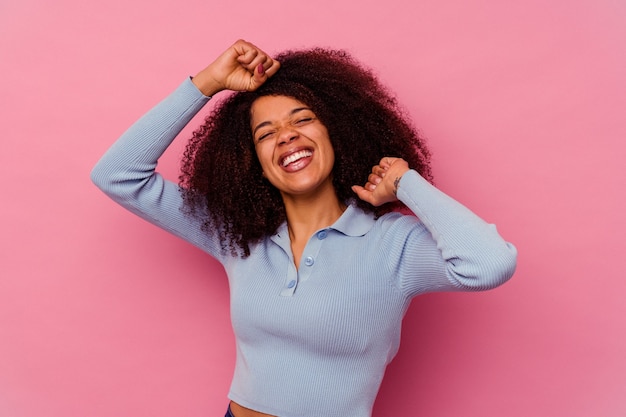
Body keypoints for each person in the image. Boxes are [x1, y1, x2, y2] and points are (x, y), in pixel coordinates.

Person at [91, 39, 517, 417]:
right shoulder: (237, 237)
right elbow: (117, 174)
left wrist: (405, 183)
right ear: (252, 159)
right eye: (266, 133)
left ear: (335, 131)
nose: (287, 137)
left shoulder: (394, 246)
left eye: (302, 119)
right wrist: (207, 82)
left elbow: (491, 263)